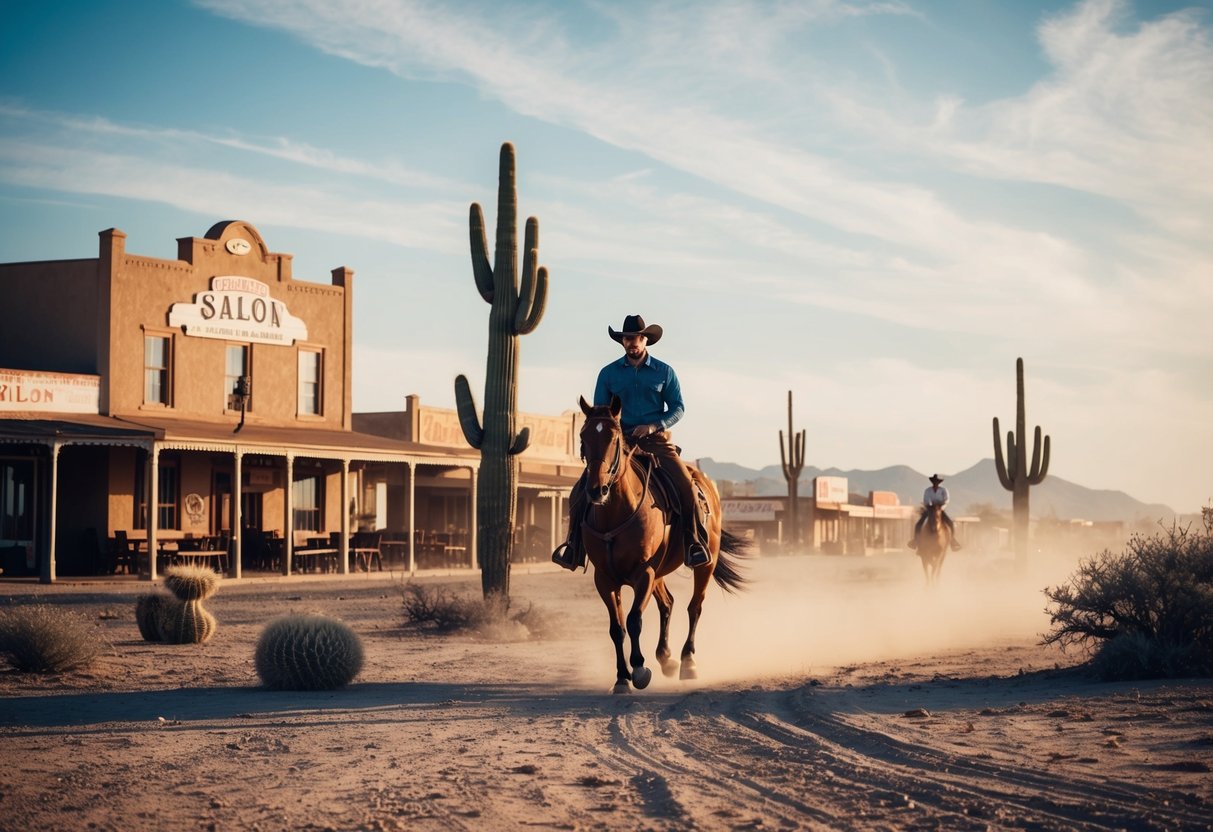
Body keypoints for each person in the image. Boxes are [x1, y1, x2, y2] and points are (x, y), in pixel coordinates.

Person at [552, 314, 711, 571]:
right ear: (622, 341)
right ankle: (573, 546)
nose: (632, 342)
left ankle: (693, 543)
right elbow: (600, 412)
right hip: (618, 442)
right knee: (581, 490)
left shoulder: (664, 372)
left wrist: (654, 425)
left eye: (636, 338)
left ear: (645, 340)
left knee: (686, 486)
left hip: (655, 441)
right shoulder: (608, 373)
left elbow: (678, 408)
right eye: (627, 339)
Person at [908, 474, 962, 551]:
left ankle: (952, 541)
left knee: (950, 523)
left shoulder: (944, 490)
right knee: (919, 524)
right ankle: (915, 541)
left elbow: (946, 500)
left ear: (939, 482)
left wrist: (940, 508)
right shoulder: (928, 490)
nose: (935, 483)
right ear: (932, 482)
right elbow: (926, 500)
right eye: (934, 481)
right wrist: (931, 507)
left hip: (940, 510)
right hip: (930, 509)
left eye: (937, 482)